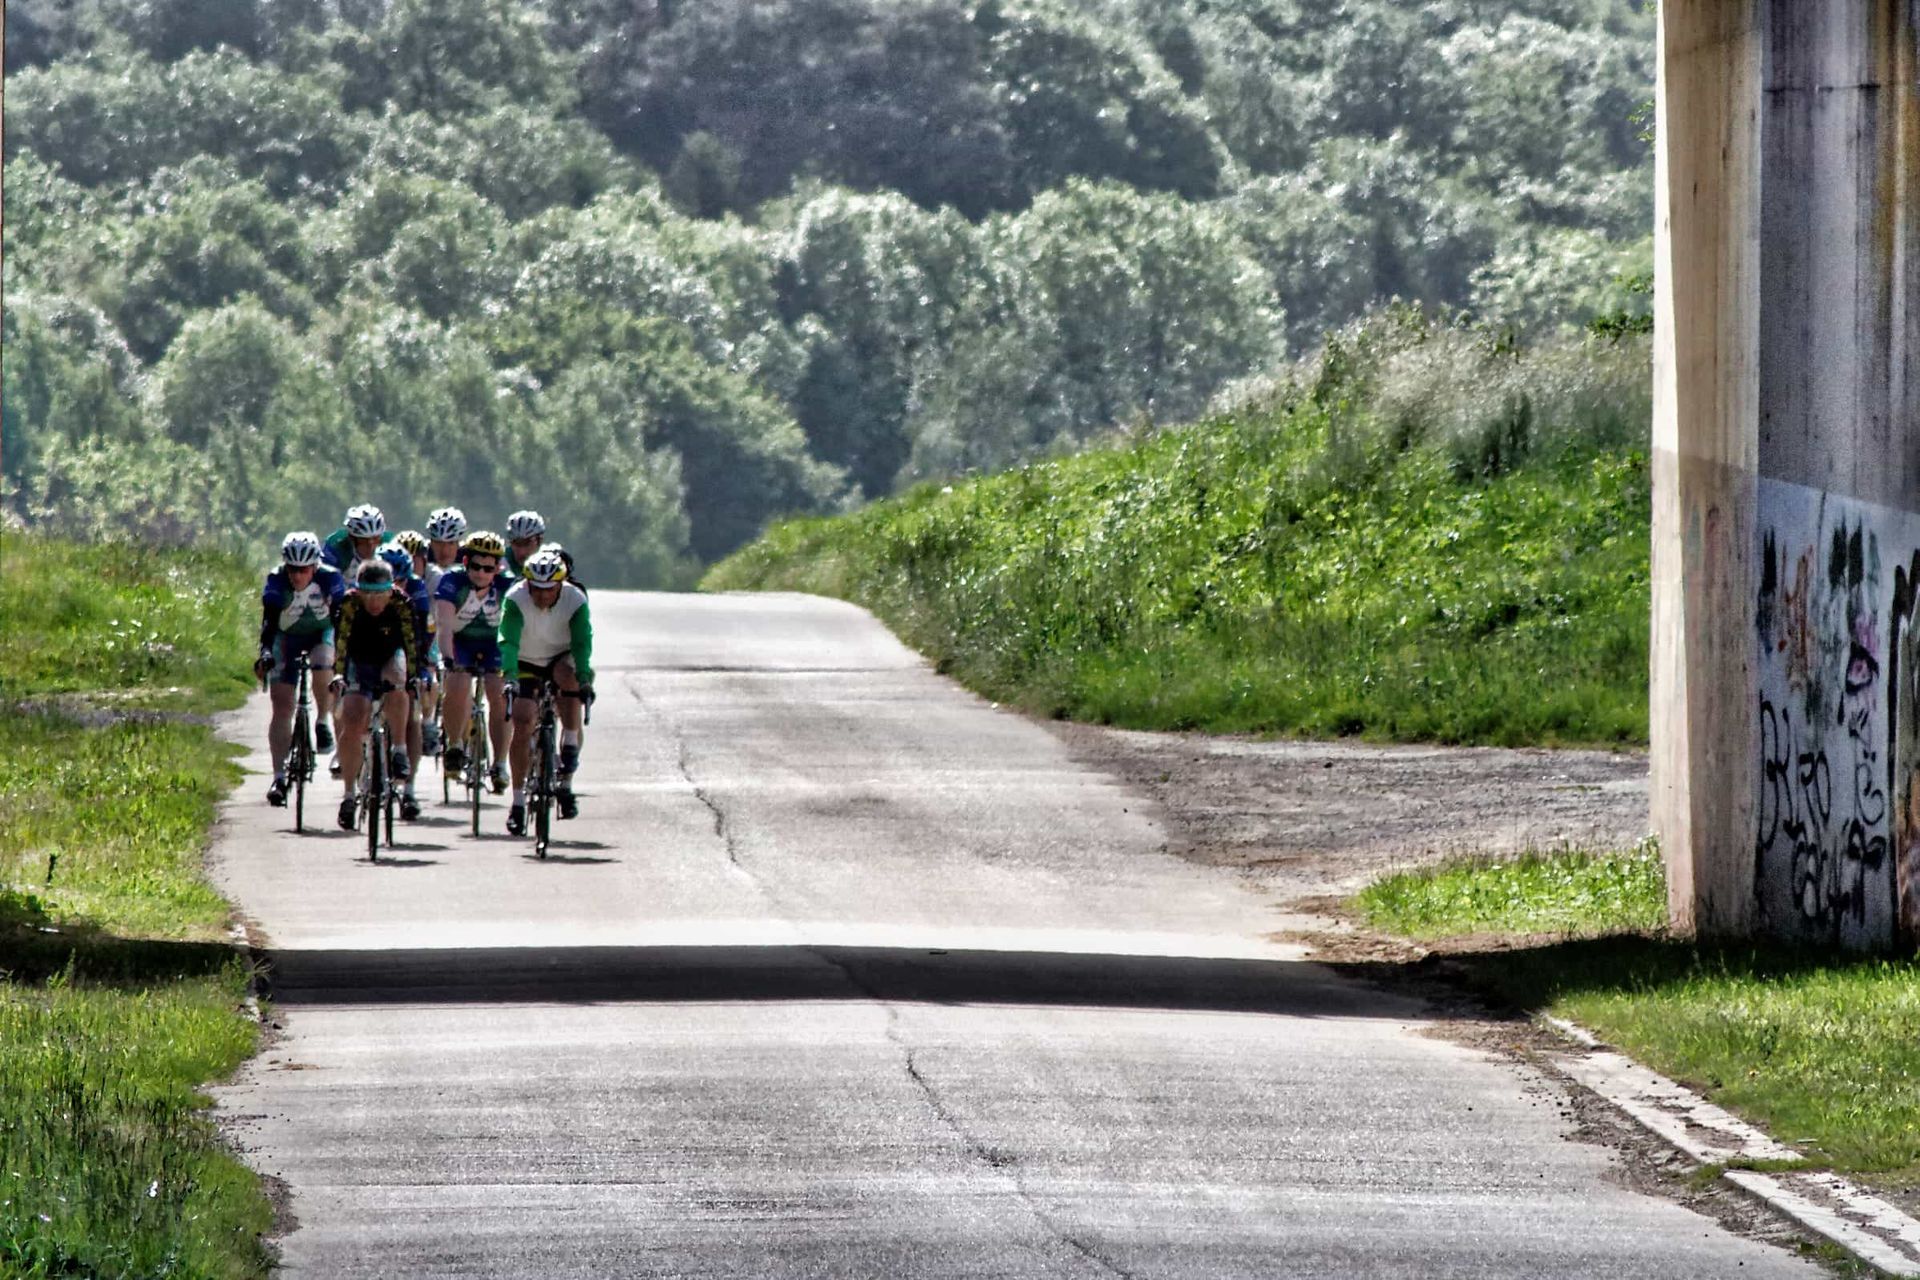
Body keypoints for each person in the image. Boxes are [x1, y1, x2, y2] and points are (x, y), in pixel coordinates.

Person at [500, 548, 594, 835]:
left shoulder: (575, 599)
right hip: (525, 659)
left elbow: (582, 643)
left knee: (571, 683)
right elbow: (508, 641)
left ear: (561, 584)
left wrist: (584, 679)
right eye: (536, 589)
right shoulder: (515, 598)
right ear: (527, 583)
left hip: (559, 657)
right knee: (523, 718)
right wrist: (510, 676)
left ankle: (568, 755)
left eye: (549, 589)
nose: (542, 595)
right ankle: (518, 802)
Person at [330, 558, 423, 831]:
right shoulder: (349, 604)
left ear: (390, 590)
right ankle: (349, 794)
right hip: (359, 660)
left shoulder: (402, 603)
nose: (374, 602)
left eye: (380, 594)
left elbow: (411, 644)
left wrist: (414, 677)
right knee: (353, 717)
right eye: (368, 594)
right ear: (358, 591)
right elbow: (341, 643)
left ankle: (399, 750)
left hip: (389, 657)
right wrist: (338, 675)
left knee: (398, 681)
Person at [254, 531, 346, 807]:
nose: (296, 576)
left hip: (321, 634)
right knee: (282, 706)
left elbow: (340, 619)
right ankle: (279, 777)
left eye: (303, 570)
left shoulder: (330, 578)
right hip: (287, 638)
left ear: (315, 566)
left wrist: (343, 656)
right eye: (292, 569)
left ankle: (322, 721)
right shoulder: (276, 579)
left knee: (323, 661)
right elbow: (269, 621)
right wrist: (265, 652)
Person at [436, 530, 512, 795]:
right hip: (461, 642)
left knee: (499, 692)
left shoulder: (508, 586)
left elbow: (516, 630)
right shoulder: (452, 581)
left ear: (498, 568)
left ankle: (500, 763)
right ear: (466, 562)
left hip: (494, 644)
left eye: (488, 568)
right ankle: (455, 745)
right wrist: (448, 659)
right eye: (476, 566)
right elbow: (444, 626)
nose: (481, 573)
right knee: (457, 683)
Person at [380, 542, 434, 820]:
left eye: (400, 581)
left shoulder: (417, 589)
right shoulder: (364, 587)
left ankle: (409, 790)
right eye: (389, 581)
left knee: (412, 713)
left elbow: (422, 634)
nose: (395, 587)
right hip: (373, 648)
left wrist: (421, 670)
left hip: (406, 647)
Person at [323, 504, 389, 572]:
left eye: (375, 539)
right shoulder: (335, 547)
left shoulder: (389, 544)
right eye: (364, 541)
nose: (370, 547)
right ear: (352, 538)